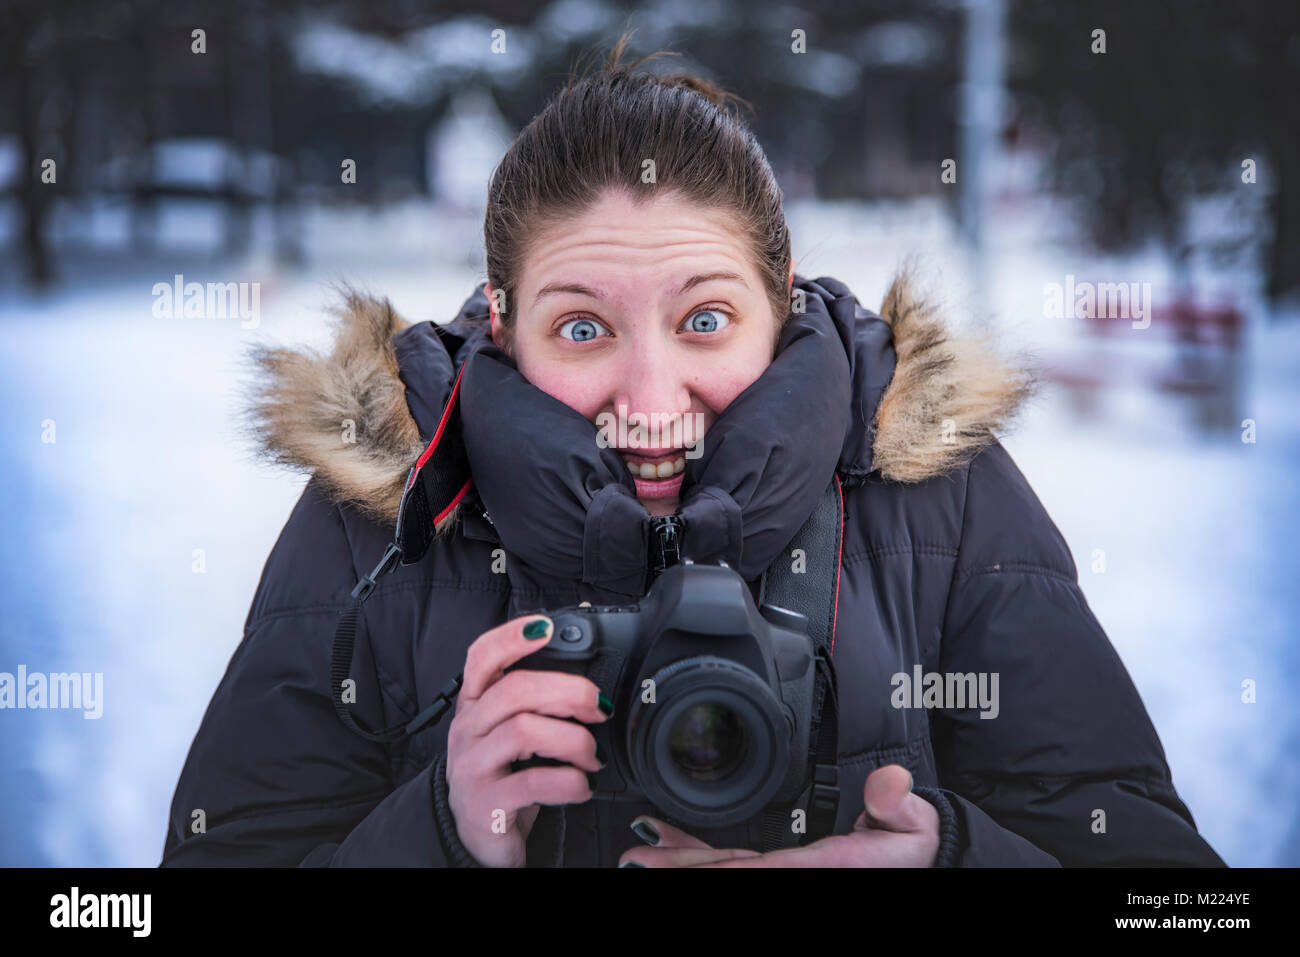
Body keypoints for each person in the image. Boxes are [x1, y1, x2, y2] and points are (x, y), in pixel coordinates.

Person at [161, 38, 1225, 868]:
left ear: (780, 301)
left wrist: (946, 858)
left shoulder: (933, 494)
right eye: (582, 328)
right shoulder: (388, 517)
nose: (650, 397)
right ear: (502, 323)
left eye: (705, 320)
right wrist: (441, 830)